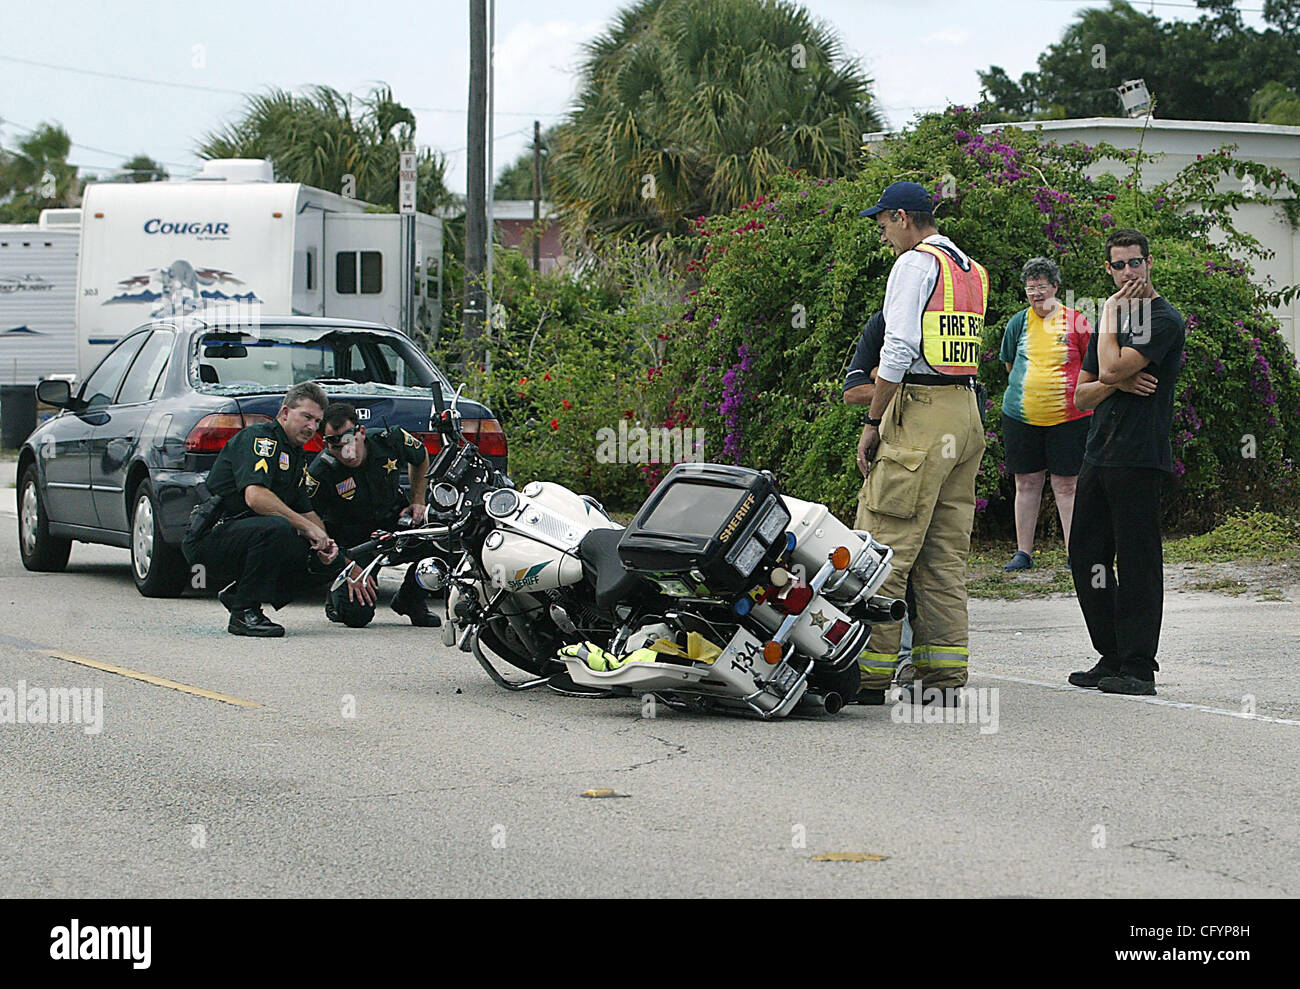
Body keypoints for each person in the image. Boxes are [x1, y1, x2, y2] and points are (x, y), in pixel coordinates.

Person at [854, 181, 988, 707]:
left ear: (904, 218)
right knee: (943, 555)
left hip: (922, 416)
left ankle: (863, 677)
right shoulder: (968, 268)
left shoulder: (913, 264)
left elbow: (899, 346)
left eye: (884, 223)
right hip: (965, 411)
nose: (883, 235)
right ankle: (943, 675)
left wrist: (873, 420)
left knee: (881, 550)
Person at [1068, 228, 1184, 696]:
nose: (1128, 272)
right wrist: (1117, 380)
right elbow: (1083, 392)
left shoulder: (1164, 319)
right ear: (1109, 269)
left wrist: (1113, 369)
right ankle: (1111, 653)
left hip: (1139, 455)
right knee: (1086, 556)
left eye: (1135, 263)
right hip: (1100, 453)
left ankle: (1138, 666)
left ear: (1149, 263)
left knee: (1137, 560)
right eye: (1119, 265)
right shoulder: (1112, 320)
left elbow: (1110, 369)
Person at [190, 382, 337, 637]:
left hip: (249, 537)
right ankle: (244, 613)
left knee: (317, 554)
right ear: (285, 413)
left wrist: (327, 546)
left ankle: (238, 594)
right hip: (211, 537)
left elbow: (306, 511)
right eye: (306, 417)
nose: (312, 427)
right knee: (279, 527)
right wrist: (307, 528)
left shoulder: (295, 456)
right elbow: (256, 497)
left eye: (317, 421)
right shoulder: (260, 439)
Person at [306, 402, 441, 628]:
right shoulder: (321, 472)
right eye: (336, 447)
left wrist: (418, 500)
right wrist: (345, 565)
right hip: (354, 541)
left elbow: (420, 456)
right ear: (326, 444)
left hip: (392, 524)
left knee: (441, 535)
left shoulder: (389, 440)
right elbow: (311, 523)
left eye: (350, 442)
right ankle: (336, 598)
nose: (346, 454)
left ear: (361, 432)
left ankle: (411, 599)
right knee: (356, 616)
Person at [998, 257, 1094, 571]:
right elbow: (1010, 365)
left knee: (1068, 485)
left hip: (1071, 418)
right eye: (1030, 288)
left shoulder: (1077, 321)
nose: (1036, 294)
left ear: (1055, 287)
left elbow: (1091, 366)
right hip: (1021, 417)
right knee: (1026, 482)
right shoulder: (1017, 323)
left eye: (1042, 287)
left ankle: (1075, 552)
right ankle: (1023, 553)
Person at [843, 310, 917, 682]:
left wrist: (886, 381)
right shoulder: (883, 323)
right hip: (895, 452)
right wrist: (898, 387)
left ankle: (922, 660)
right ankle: (893, 662)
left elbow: (957, 388)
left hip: (939, 450)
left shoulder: (940, 323)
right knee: (888, 554)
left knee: (933, 561)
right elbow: (852, 391)